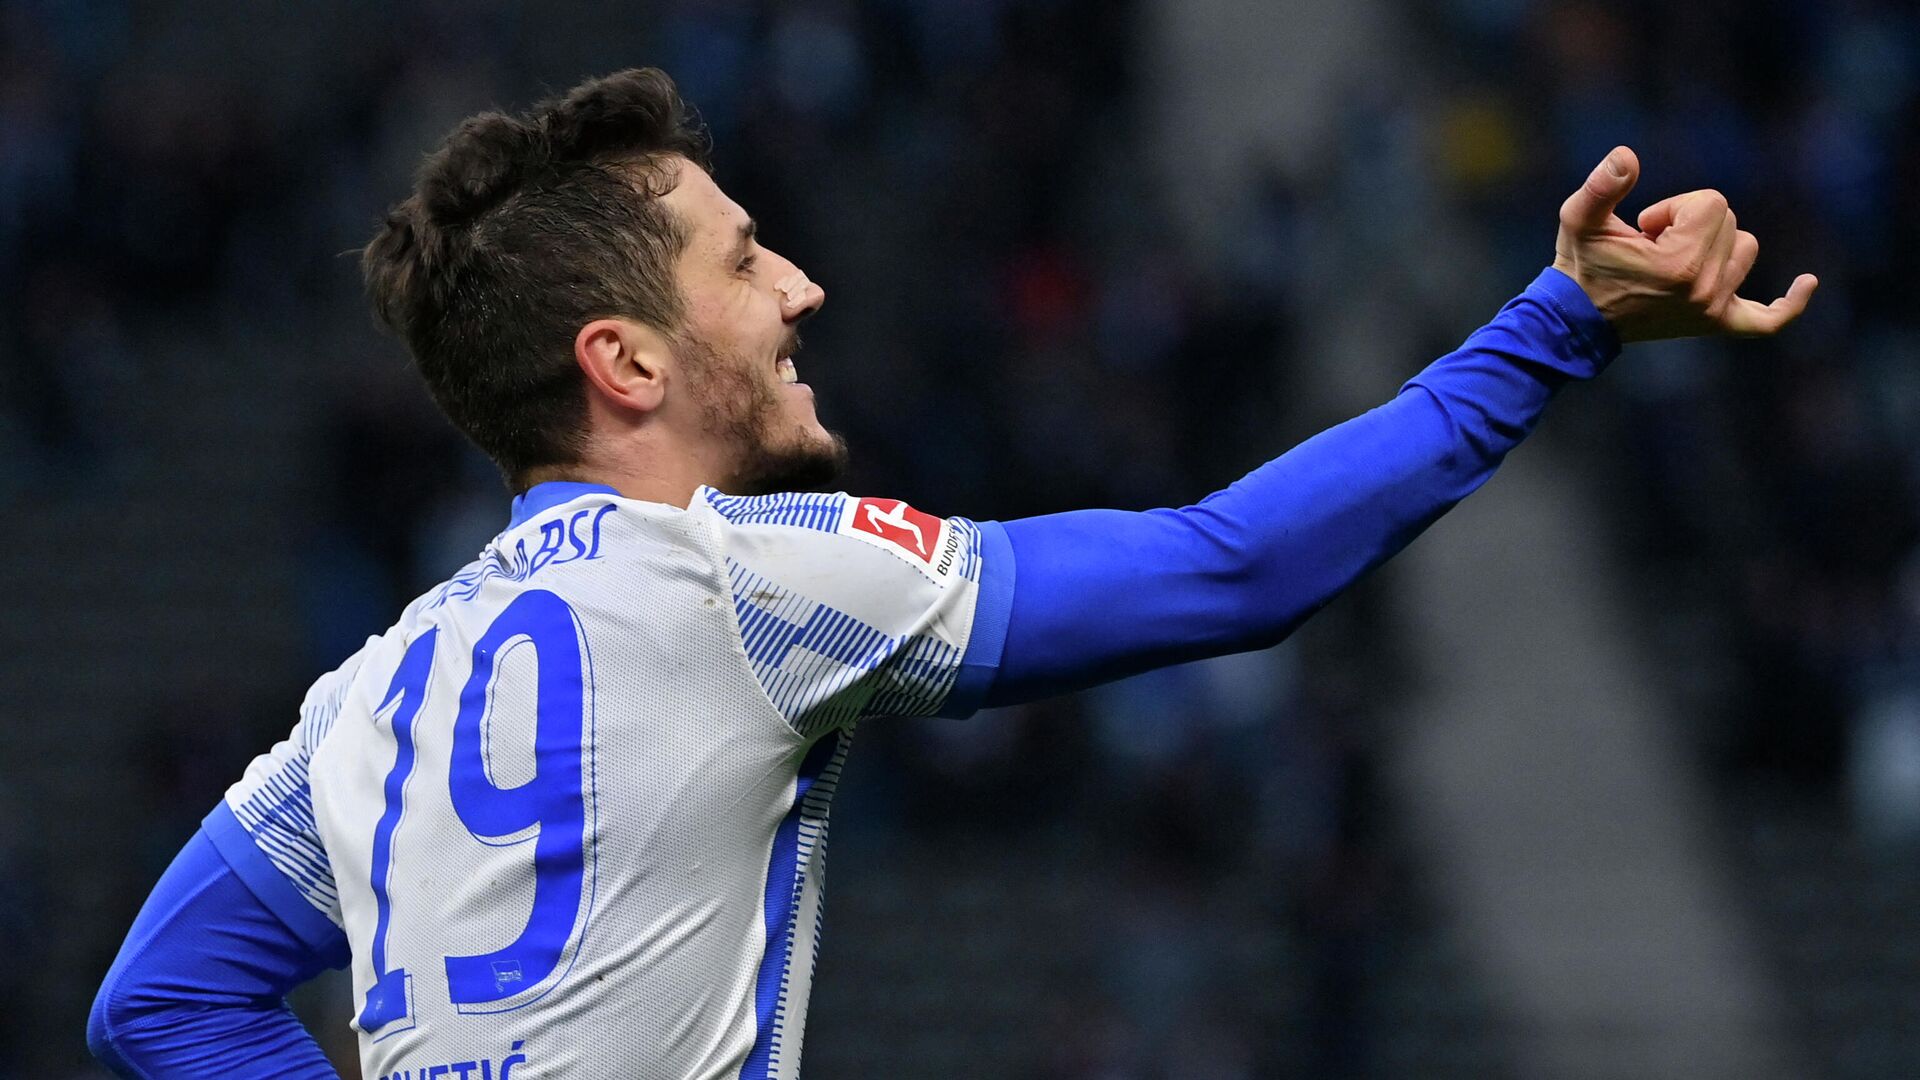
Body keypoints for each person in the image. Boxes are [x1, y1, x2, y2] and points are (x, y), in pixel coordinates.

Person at [86, 68, 1815, 1079]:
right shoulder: (738, 584)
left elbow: (162, 997)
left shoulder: (368, 697)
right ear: (624, 362)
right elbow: (1224, 576)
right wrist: (1554, 329)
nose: (806, 289)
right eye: (747, 258)